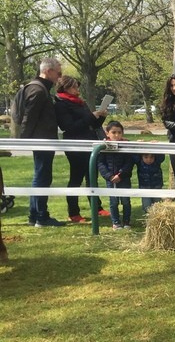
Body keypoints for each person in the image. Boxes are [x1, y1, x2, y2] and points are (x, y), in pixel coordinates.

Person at [53, 75, 111, 223]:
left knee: (92, 176)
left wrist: (101, 116)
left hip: (89, 142)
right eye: (73, 87)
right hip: (75, 145)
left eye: (77, 86)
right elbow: (68, 127)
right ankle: (73, 212)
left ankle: (96, 207)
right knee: (76, 178)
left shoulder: (80, 102)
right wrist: (91, 116)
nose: (77, 89)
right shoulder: (61, 104)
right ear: (64, 88)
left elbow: (91, 123)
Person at [16, 57, 66, 227]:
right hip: (42, 140)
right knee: (42, 176)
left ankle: (34, 215)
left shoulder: (38, 88)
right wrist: (24, 142)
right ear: (48, 71)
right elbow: (29, 117)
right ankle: (41, 216)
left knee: (41, 175)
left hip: (43, 139)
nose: (60, 76)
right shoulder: (38, 90)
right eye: (58, 72)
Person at [97, 121, 134, 230]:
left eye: (119, 132)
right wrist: (109, 176)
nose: (117, 135)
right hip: (110, 179)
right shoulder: (103, 147)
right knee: (113, 202)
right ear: (107, 133)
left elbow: (129, 163)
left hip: (124, 178)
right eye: (113, 132)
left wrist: (120, 175)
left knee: (126, 201)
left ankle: (127, 222)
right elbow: (100, 163)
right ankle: (116, 222)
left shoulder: (126, 145)